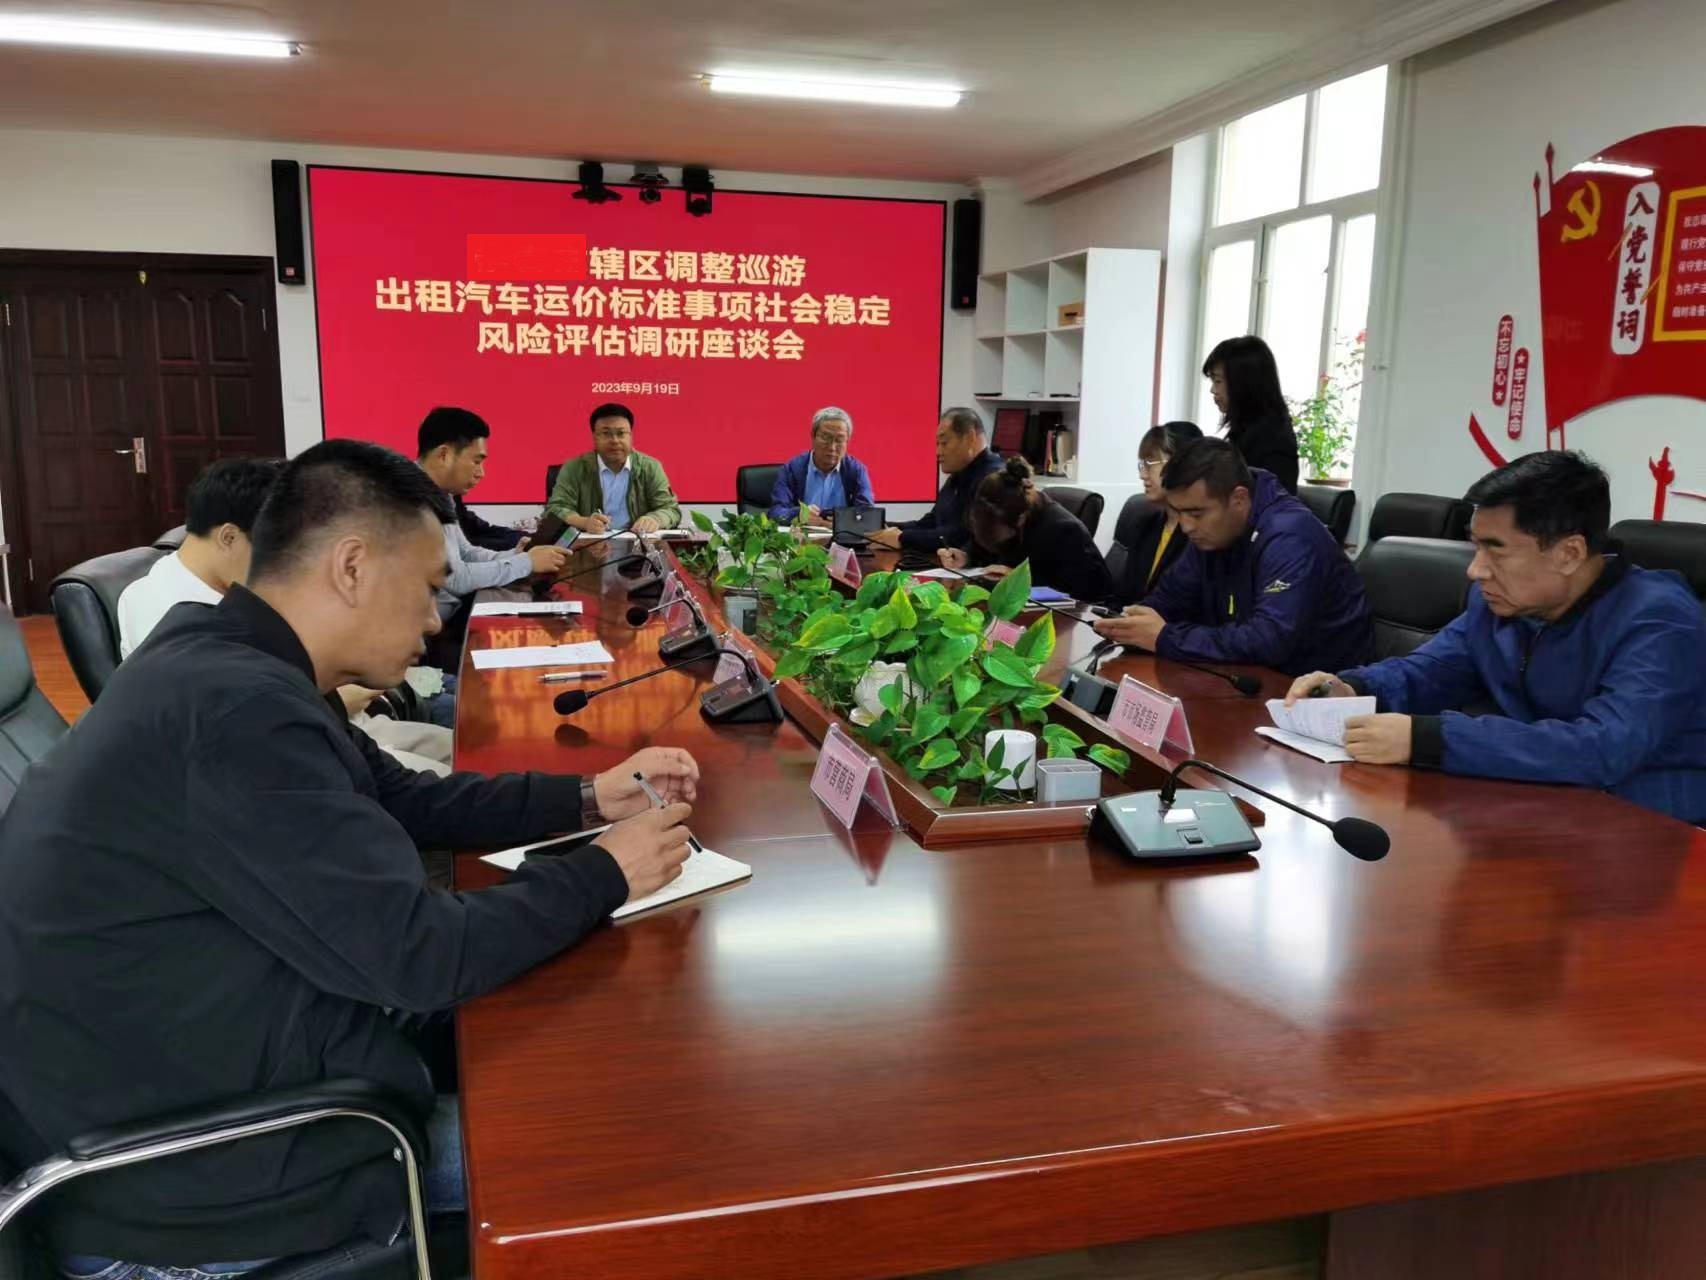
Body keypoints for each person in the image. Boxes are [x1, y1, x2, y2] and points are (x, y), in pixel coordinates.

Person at [0, 439, 703, 1275]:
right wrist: (606, 871)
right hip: (203, 1181)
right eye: (429, 588)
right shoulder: (234, 713)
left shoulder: (233, 659)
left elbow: (406, 797)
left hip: (225, 1067)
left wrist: (589, 797)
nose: (436, 620)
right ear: (352, 567)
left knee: (563, 1045)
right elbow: (418, 956)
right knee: (614, 1146)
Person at [1286, 451, 1706, 824]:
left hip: (1653, 829)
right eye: (1475, 547)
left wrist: (1429, 739)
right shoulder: (1501, 604)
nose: (1475, 570)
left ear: (1570, 554)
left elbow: (1604, 748)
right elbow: (1432, 671)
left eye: (1496, 550)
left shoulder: (1660, 622)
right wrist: (1353, 687)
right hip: (1540, 803)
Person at [119, 456, 456, 775]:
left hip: (339, 726)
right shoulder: (161, 607)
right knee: (447, 773)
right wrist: (337, 696)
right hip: (279, 754)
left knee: (459, 753)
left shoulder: (236, 591)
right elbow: (242, 721)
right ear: (229, 537)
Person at [1093, 438, 1371, 674]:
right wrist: (1131, 623)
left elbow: (1269, 640)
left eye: (1196, 513)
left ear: (1238, 499)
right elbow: (1169, 599)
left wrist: (1165, 637)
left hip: (1319, 695)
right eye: (1178, 512)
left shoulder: (1290, 537)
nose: (1186, 526)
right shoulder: (1211, 533)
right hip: (1248, 679)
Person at [419, 407, 569, 673]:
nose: (482, 473)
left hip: (449, 618)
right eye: (476, 461)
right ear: (444, 454)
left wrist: (514, 556)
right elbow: (455, 578)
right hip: (423, 640)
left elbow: (466, 552)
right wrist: (525, 563)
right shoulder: (413, 499)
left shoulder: (442, 495)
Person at [941, 456, 1113, 602]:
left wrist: (1022, 581)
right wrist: (966, 557)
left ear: (1021, 518)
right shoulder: (999, 514)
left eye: (1001, 533)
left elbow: (1086, 594)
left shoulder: (1065, 531)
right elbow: (985, 547)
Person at [867, 407, 1002, 554]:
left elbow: (962, 536)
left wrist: (902, 538)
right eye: (938, 444)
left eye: (944, 443)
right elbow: (932, 522)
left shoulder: (992, 479)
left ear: (970, 437)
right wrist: (885, 528)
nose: (938, 452)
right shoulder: (959, 474)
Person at [545, 403, 681, 535]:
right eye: (606, 433)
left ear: (630, 436)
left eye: (621, 433)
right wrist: (584, 522)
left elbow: (670, 509)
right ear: (594, 437)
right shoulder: (575, 468)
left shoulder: (650, 467)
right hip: (588, 544)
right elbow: (555, 509)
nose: (615, 440)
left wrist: (655, 519)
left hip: (637, 544)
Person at [1110, 420, 1203, 603]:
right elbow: (1125, 596)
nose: (1142, 475)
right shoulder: (1145, 525)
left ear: (1182, 464)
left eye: (1150, 464)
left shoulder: (1201, 534)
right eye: (1142, 464)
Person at [1202, 335, 1299, 492]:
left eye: (1218, 381)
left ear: (1243, 383)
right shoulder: (1245, 430)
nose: (1213, 390)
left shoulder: (1271, 437)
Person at [767, 406, 876, 526]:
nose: (832, 447)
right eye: (825, 438)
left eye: (839, 440)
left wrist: (843, 520)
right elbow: (775, 513)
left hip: (840, 536)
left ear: (847, 441)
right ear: (813, 436)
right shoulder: (792, 469)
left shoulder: (856, 470)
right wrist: (800, 515)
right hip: (803, 536)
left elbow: (868, 515)